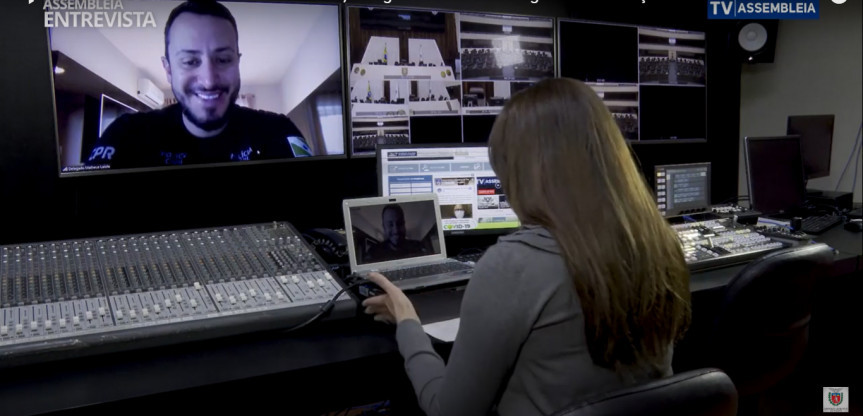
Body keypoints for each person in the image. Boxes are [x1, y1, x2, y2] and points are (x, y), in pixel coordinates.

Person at [362, 78, 691, 415]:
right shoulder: (660, 244)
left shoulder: (512, 264)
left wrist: (407, 322)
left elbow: (448, 410)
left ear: (523, 172)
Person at [86, 0, 312, 169]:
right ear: (168, 69)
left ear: (237, 62)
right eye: (190, 61)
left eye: (223, 60)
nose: (209, 80)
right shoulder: (126, 135)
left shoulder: (279, 131)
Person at [364, 204, 429, 263]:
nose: (396, 230)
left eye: (400, 223)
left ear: (404, 224)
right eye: (390, 224)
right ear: (384, 227)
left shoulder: (418, 246)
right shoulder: (373, 252)